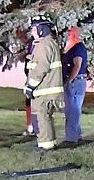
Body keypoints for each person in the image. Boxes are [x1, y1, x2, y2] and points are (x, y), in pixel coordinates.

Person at [24, 19, 65, 152]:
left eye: (35, 29)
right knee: (45, 117)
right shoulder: (47, 44)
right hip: (47, 90)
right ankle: (49, 143)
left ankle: (45, 146)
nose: (32, 32)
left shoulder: (44, 45)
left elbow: (40, 69)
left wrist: (30, 86)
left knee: (42, 117)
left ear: (42, 30)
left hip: (44, 90)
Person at [61, 25, 89, 144]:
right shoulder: (80, 48)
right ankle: (77, 136)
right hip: (80, 81)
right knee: (76, 110)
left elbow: (77, 65)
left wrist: (69, 80)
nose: (68, 35)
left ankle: (71, 139)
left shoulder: (77, 49)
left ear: (75, 35)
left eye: (70, 33)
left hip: (75, 81)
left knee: (71, 110)